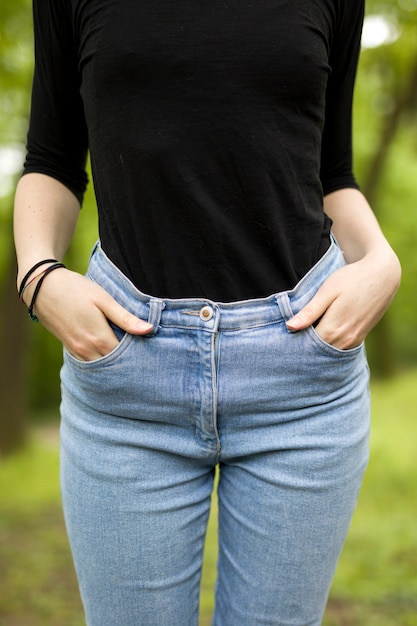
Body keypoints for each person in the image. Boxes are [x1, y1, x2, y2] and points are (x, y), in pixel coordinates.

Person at [14, 1, 400, 624]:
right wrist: (39, 275)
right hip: (127, 372)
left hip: (302, 375)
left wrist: (382, 261)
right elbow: (52, 159)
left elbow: (331, 170)